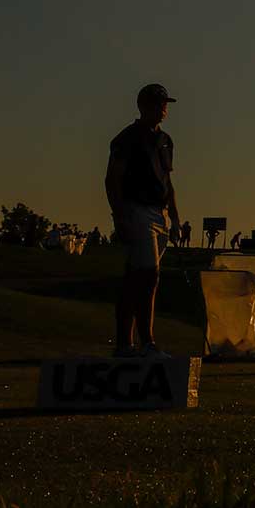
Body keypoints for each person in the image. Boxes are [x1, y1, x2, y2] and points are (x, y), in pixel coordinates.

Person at [105, 83, 181, 358]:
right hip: (136, 209)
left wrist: (174, 216)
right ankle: (145, 342)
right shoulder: (128, 138)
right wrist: (119, 216)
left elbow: (167, 180)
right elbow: (112, 179)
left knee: (137, 277)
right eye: (159, 103)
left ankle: (127, 344)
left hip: (158, 212)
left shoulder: (165, 140)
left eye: (165, 104)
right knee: (148, 275)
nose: (164, 108)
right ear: (144, 106)